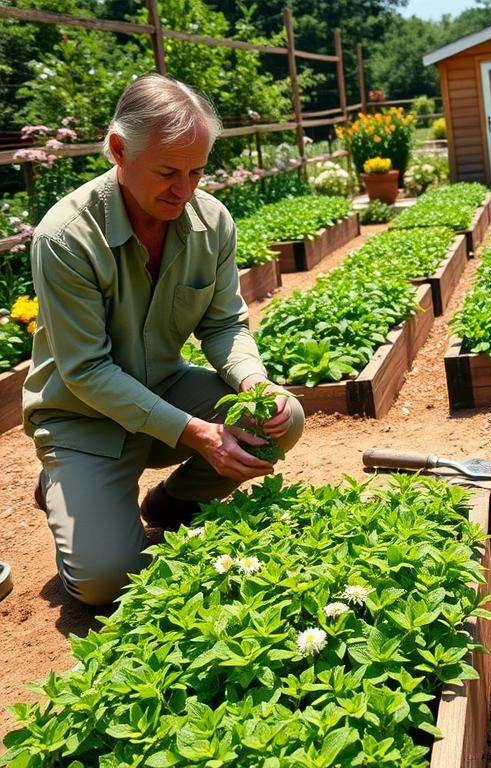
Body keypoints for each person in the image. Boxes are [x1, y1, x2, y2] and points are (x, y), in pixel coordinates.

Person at [23, 74, 304, 606]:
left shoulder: (212, 221)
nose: (185, 190)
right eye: (168, 172)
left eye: (197, 171)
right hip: (82, 417)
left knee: (279, 419)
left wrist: (253, 383)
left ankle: (169, 506)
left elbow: (223, 325)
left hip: (164, 391)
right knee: (106, 583)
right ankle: (64, 483)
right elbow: (85, 372)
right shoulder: (65, 237)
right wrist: (197, 432)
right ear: (118, 150)